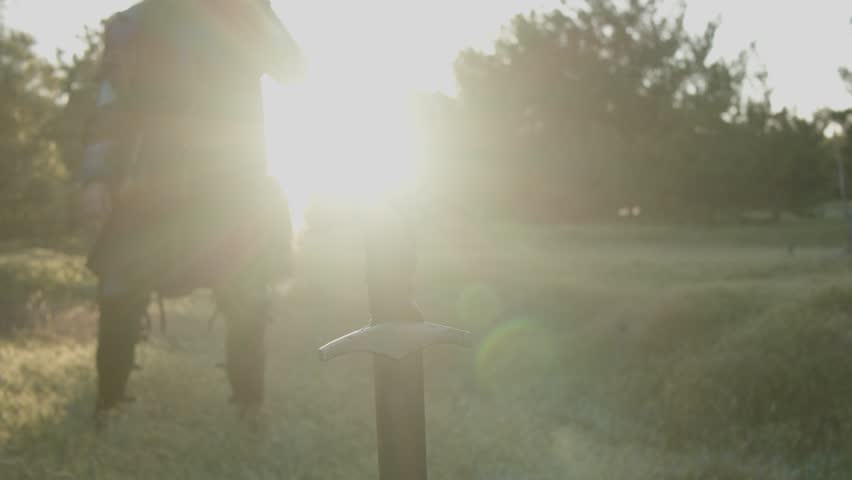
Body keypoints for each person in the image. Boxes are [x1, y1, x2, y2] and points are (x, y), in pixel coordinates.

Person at [79, 0, 305, 416]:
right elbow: (111, 108)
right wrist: (97, 176)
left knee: (249, 297)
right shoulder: (134, 23)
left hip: (234, 187)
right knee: (118, 292)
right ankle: (107, 405)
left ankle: (249, 408)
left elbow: (295, 71)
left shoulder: (245, 12)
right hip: (154, 185)